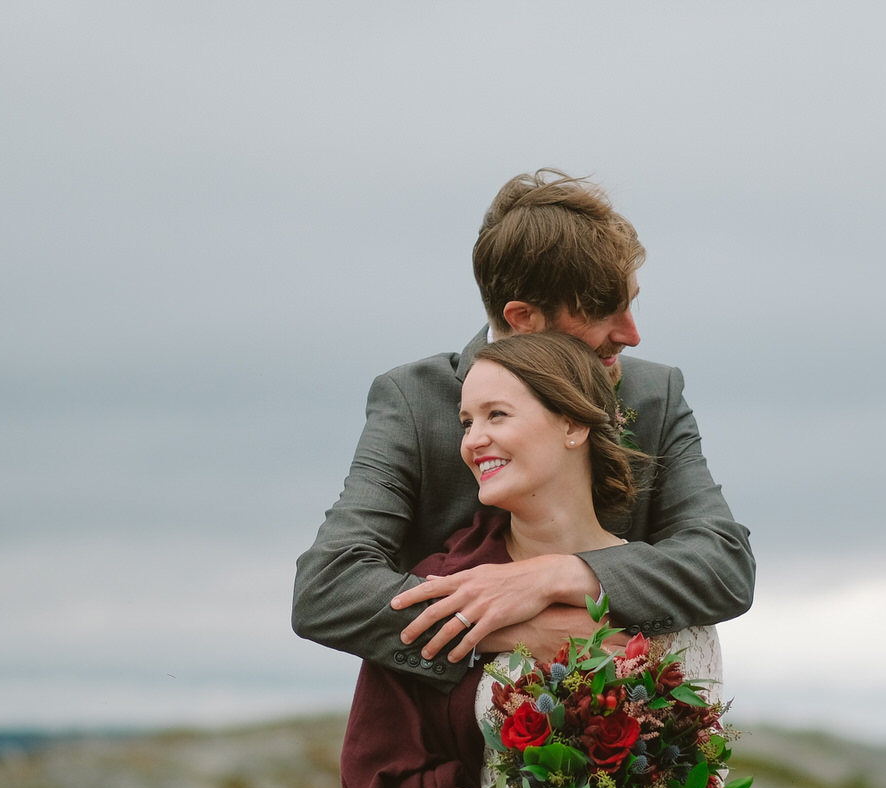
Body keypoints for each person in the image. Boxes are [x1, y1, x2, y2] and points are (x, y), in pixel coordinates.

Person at [339, 332, 802, 788]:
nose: (472, 441)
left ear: (573, 423)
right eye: (465, 422)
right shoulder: (442, 590)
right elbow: (376, 781)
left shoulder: (669, 591)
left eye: (496, 415)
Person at [291, 169, 755, 690]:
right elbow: (327, 589)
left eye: (632, 301)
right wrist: (515, 628)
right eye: (605, 312)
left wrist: (556, 576)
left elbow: (724, 563)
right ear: (522, 318)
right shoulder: (413, 401)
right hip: (446, 748)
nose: (632, 334)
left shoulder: (654, 394)